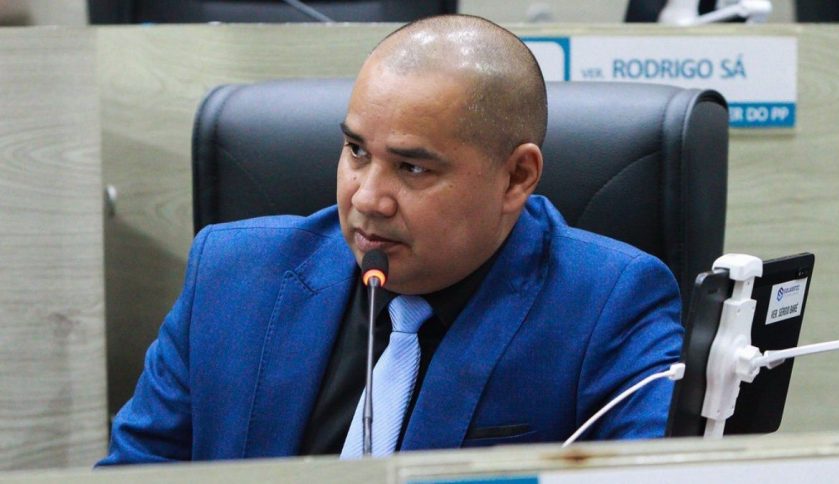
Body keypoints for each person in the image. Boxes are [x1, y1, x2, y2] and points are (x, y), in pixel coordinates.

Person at [99, 14, 682, 465]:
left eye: (413, 168)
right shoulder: (230, 275)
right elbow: (136, 471)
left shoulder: (611, 304)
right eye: (356, 151)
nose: (367, 198)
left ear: (516, 177)